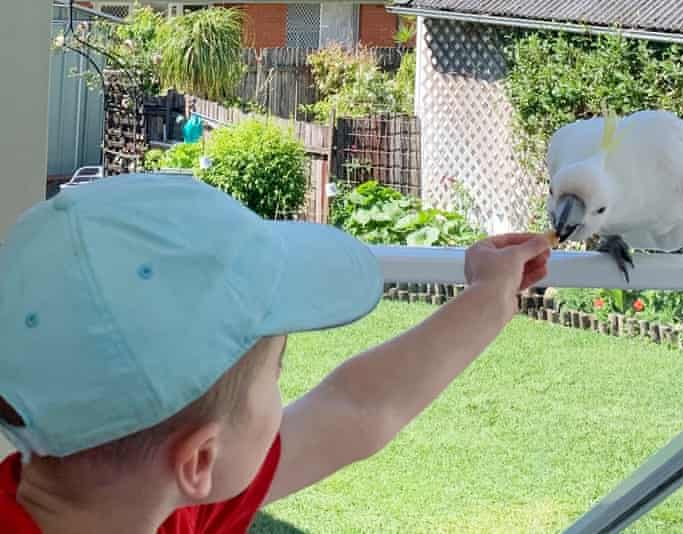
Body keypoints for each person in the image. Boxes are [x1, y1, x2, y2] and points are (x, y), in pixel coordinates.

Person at [0, 173, 551, 534]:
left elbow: (357, 410)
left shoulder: (144, 500)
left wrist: (489, 299)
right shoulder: (162, 498)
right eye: (277, 373)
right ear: (199, 460)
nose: (281, 394)